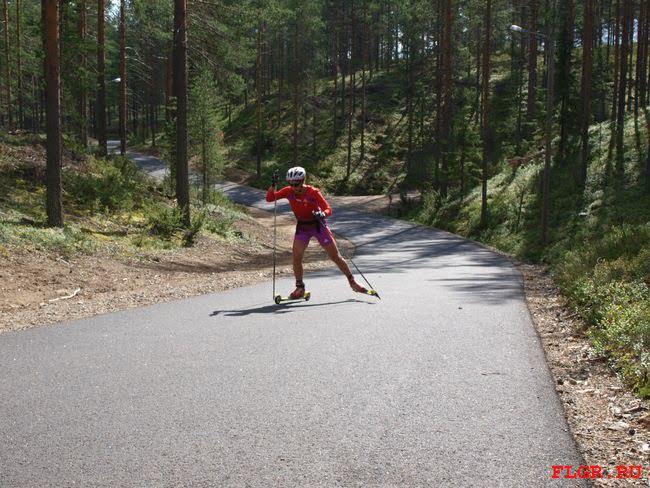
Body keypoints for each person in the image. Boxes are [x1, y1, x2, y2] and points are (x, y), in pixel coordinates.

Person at [266, 166, 368, 298]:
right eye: (290, 184)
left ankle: (353, 282)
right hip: (303, 228)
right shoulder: (288, 191)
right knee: (296, 257)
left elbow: (328, 209)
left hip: (318, 226)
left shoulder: (313, 192)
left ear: (302, 181)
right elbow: (270, 198)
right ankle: (300, 288)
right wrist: (273, 185)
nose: (293, 187)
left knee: (335, 256)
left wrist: (322, 213)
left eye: (295, 184)